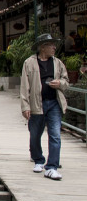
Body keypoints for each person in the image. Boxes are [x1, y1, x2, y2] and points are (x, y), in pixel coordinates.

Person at [20, 33, 69, 181]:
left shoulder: (58, 63)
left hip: (54, 103)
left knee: (55, 135)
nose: (54, 47)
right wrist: (25, 106)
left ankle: (52, 167)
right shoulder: (29, 63)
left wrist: (60, 83)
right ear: (42, 47)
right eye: (51, 45)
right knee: (35, 134)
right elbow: (24, 86)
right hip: (36, 103)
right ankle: (38, 160)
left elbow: (66, 81)